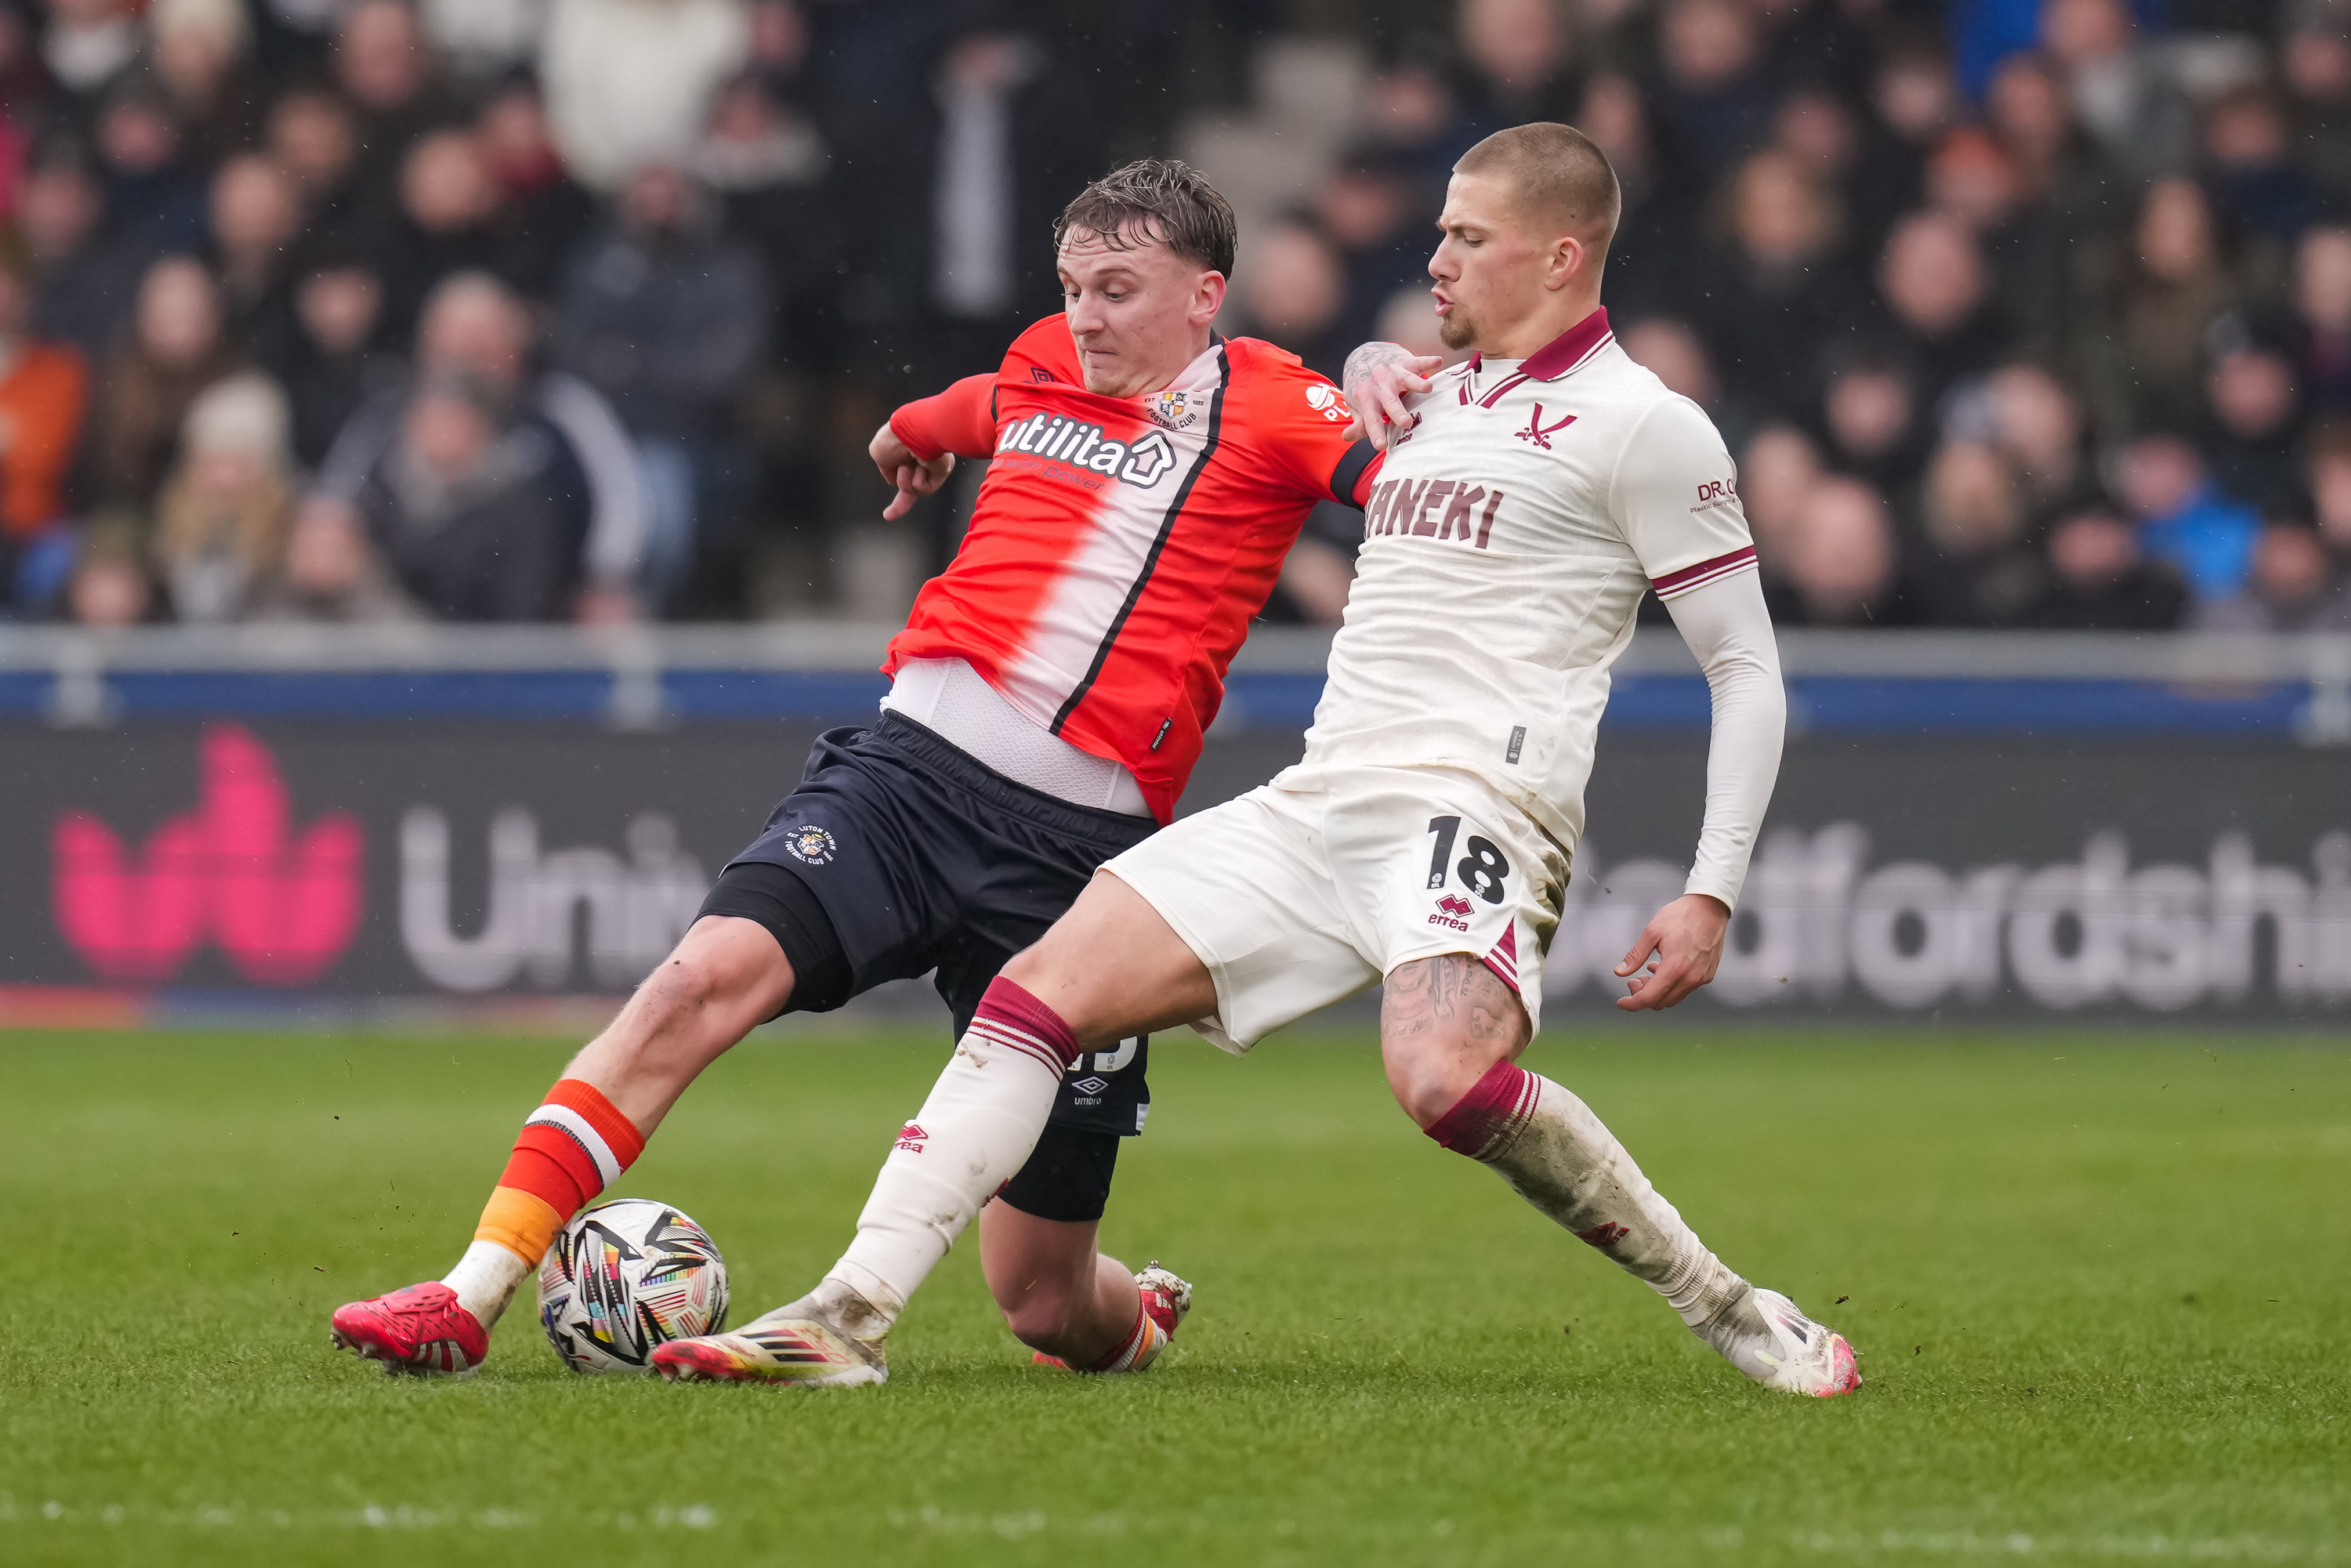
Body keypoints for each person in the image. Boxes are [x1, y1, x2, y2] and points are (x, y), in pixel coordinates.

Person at [648, 124, 1860, 1399]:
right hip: (1320, 799)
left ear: (1562, 255)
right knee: (1036, 988)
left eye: (1467, 236)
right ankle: (846, 1313)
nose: (1434, 256)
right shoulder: (1419, 395)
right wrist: (1378, 364)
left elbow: (1746, 667)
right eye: (1440, 228)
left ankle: (1724, 1303)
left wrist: (1712, 884)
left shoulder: (1647, 428)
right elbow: (1234, 417)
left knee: (1442, 1083)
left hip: (1477, 804)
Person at [328, 158, 1385, 1379]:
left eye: (1118, 288)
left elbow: (1404, 477)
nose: (1086, 315)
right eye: (1073, 286)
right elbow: (963, 407)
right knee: (695, 981)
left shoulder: (1268, 403)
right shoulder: (1047, 360)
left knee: (1044, 1302)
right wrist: (907, 443)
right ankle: (468, 1293)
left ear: (1206, 296)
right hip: (905, 779)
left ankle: (1133, 1315)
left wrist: (1381, 378)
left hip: (1077, 863)